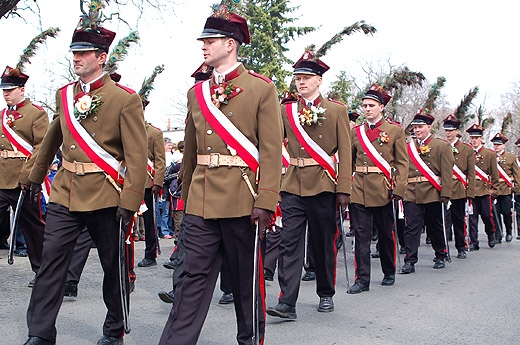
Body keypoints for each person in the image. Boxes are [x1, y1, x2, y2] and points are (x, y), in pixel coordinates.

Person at [158, 5, 282, 345]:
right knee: (190, 280)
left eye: (211, 40)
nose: (204, 45)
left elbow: (271, 150)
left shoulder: (261, 89)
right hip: (201, 199)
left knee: (245, 282)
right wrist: (183, 193)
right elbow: (191, 152)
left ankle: (250, 340)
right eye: (204, 40)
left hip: (244, 200)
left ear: (231, 44)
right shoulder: (196, 93)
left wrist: (267, 199)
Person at [23, 20, 147, 345]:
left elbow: (136, 156)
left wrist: (130, 201)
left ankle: (113, 331)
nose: (77, 58)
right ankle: (39, 333)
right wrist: (35, 177)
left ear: (102, 57)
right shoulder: (64, 94)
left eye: (84, 53)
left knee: (112, 266)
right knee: (50, 264)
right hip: (66, 190)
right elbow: (53, 138)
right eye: (74, 52)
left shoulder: (124, 99)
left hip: (106, 194)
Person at [267, 49, 351, 319]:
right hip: (292, 185)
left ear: (319, 80)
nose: (301, 82)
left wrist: (344, 189)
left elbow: (346, 152)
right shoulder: (286, 110)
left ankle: (326, 293)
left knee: (323, 243)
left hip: (324, 185)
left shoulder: (336, 110)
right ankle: (287, 302)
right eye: (298, 78)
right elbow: (274, 144)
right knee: (290, 243)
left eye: (306, 78)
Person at [348, 84, 408, 293]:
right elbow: (348, 162)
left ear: (381, 107)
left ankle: (389, 271)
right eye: (364, 105)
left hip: (384, 189)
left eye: (372, 105)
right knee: (361, 236)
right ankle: (362, 279)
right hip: (359, 189)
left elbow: (402, 163)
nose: (367, 109)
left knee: (385, 233)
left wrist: (399, 188)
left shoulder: (394, 131)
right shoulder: (356, 132)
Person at [0, 65, 48, 285]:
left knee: (32, 227)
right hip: (1, 179)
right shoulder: (2, 116)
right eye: (4, 90)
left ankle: (41, 270)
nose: (6, 94)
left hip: (24, 180)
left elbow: (41, 148)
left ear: (22, 89)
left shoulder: (36, 114)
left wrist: (29, 177)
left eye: (10, 90)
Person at [401, 111, 453, 273]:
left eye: (420, 127)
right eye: (415, 128)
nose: (417, 130)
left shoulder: (441, 146)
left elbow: (446, 172)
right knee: (411, 227)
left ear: (429, 127)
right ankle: (410, 260)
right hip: (411, 191)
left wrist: (446, 193)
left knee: (435, 224)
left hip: (432, 191)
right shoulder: (407, 147)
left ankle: (440, 254)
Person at [442, 115, 475, 259]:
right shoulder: (441, 146)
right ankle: (443, 249)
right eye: (446, 131)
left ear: (457, 131)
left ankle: (461, 246)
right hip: (443, 189)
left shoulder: (466, 149)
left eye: (451, 130)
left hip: (459, 189)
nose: (448, 133)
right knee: (443, 221)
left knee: (458, 220)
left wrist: (470, 192)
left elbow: (471, 173)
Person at [466, 124, 499, 251]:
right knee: (472, 218)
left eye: (476, 138)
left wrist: (495, 189)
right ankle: (474, 242)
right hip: (471, 190)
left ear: (481, 139)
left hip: (485, 190)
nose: (474, 140)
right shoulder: (467, 152)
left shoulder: (489, 154)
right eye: (472, 138)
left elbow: (494, 174)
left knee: (486, 215)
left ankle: (491, 233)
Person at [137, 119, 165, 268]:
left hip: (148, 183)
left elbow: (160, 160)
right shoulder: (128, 129)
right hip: (129, 181)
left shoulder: (154, 133)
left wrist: (158, 182)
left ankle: (150, 254)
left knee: (149, 222)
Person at [490, 133, 520, 243]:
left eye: (499, 144)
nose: (496, 146)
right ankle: (498, 233)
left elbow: (517, 174)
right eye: (495, 144)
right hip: (495, 190)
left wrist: (516, 188)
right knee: (495, 213)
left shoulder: (511, 158)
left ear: (504, 145)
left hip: (507, 189)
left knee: (506, 212)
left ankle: (509, 231)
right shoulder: (490, 157)